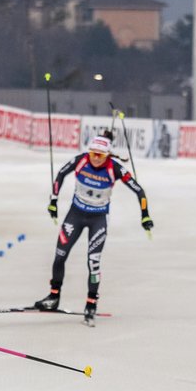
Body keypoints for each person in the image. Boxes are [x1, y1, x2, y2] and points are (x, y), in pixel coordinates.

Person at [34, 134, 153, 325]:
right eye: (93, 154)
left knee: (93, 262)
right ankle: (53, 297)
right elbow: (61, 174)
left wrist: (145, 214)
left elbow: (139, 190)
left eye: (100, 155)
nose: (96, 158)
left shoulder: (115, 168)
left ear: (107, 155)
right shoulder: (81, 160)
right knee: (60, 256)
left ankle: (91, 305)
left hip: (98, 219)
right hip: (75, 215)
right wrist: (53, 201)